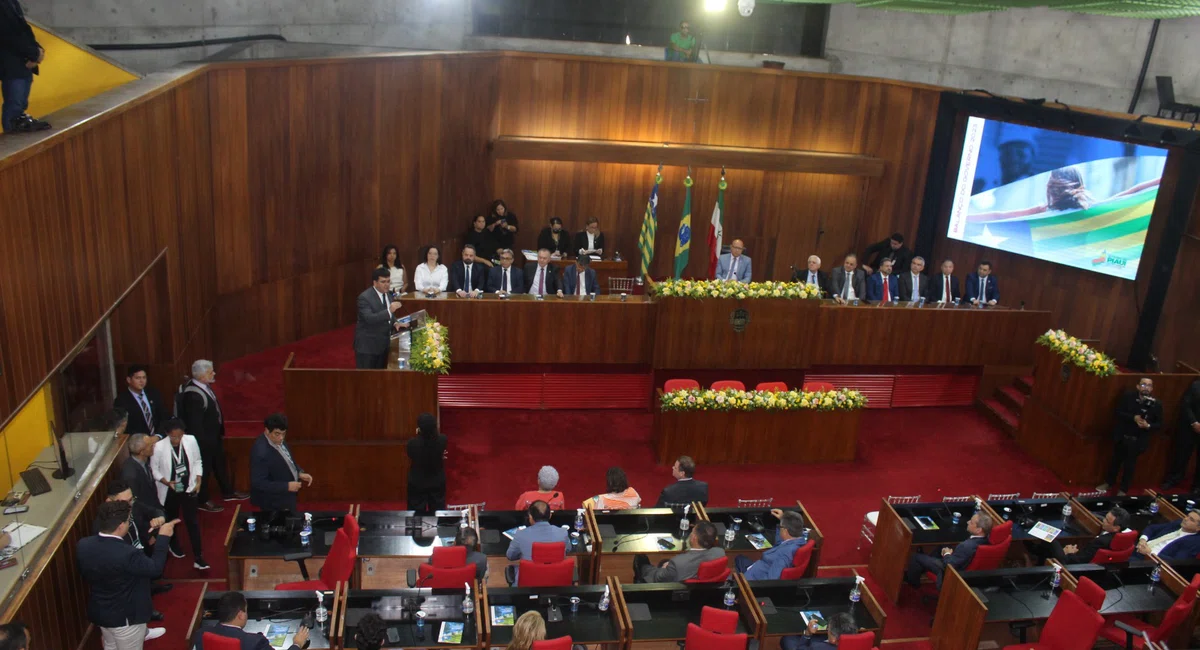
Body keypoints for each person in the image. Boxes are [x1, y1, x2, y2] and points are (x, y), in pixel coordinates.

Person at [78, 500, 177, 647]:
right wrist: (163, 538)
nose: (130, 523)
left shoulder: (83, 545)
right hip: (125, 619)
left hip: (101, 612)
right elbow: (155, 569)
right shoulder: (127, 553)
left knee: (110, 646)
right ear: (121, 526)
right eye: (128, 520)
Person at [178, 359, 247, 511]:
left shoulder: (204, 387)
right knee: (205, 470)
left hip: (213, 438)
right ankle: (202, 500)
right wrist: (203, 444)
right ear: (201, 375)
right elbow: (194, 424)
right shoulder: (193, 395)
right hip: (204, 442)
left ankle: (228, 492)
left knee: (220, 465)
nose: (214, 373)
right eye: (210, 371)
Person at [151, 418, 208, 570]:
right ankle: (173, 544)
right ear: (167, 434)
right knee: (172, 519)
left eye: (179, 436)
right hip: (170, 490)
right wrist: (166, 482)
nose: (176, 439)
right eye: (173, 436)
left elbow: (197, 461)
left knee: (193, 522)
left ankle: (198, 556)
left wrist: (199, 479)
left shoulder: (191, 440)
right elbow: (154, 469)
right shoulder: (158, 447)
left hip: (188, 487)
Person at [1099, 377, 1163, 495]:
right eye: (1143, 384)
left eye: (1149, 385)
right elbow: (1118, 412)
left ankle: (1123, 489)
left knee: (1130, 466)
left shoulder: (1157, 404)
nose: (1146, 387)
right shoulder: (1128, 397)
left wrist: (1148, 425)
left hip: (1138, 440)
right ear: (1138, 386)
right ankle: (1108, 482)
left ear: (1152, 388)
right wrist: (1133, 418)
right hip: (1123, 435)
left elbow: (1159, 424)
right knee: (1115, 461)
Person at [192, 591, 309, 650]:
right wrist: (297, 644)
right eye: (246, 611)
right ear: (241, 615)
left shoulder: (201, 634)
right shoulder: (255, 642)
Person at [903, 512, 992, 589]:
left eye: (971, 522)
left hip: (948, 572)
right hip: (960, 565)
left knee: (915, 557)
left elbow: (949, 564)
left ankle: (913, 584)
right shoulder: (986, 540)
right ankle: (923, 566)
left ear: (978, 530)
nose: (968, 522)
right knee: (942, 546)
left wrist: (947, 554)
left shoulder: (966, 546)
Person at [250, 413, 313, 518]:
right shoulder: (260, 452)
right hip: (273, 502)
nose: (281, 438)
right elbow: (259, 483)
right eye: (277, 434)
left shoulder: (277, 440)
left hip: (286, 497)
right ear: (266, 430)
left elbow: (287, 459)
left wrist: (299, 473)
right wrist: (287, 486)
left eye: (283, 434)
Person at [0, 0, 49, 133]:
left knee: (17, 105)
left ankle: (17, 122)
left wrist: (37, 49)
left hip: (18, 61)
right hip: (11, 63)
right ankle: (14, 129)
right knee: (13, 111)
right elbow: (9, 34)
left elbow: (22, 29)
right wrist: (33, 53)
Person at [1033, 507, 1130, 565]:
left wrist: (1069, 552)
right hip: (1080, 555)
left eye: (1107, 521)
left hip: (1071, 563)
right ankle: (1036, 557)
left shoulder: (1101, 541)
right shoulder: (1122, 538)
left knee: (1050, 539)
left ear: (1116, 528)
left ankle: (1031, 553)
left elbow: (1080, 560)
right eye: (1105, 517)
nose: (1103, 520)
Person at [506, 500, 570, 584]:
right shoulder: (563, 533)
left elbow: (510, 556)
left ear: (530, 517)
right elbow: (568, 550)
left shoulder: (521, 534)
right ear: (550, 515)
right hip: (556, 580)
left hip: (528, 582)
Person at [637, 521, 723, 583]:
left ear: (694, 538)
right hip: (701, 586)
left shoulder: (678, 563)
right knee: (664, 562)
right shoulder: (720, 553)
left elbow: (658, 578)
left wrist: (663, 568)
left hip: (674, 590)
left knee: (643, 564)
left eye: (692, 532)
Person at [736, 510, 810, 580]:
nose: (779, 528)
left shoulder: (784, 554)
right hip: (760, 567)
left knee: (738, 563)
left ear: (785, 531)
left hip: (754, 578)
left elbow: (771, 580)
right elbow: (779, 543)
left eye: (781, 527)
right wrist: (782, 519)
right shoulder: (798, 540)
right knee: (739, 558)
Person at [354, 268, 404, 369]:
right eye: (383, 282)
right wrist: (390, 310)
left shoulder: (388, 294)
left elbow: (390, 315)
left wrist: (395, 323)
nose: (387, 284)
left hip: (384, 345)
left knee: (380, 379)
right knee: (366, 380)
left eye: (388, 281)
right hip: (368, 347)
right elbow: (370, 318)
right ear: (375, 283)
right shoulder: (364, 298)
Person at [1161, 378, 1200, 491]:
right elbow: (1186, 405)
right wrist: (1194, 422)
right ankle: (1173, 479)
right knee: (1181, 455)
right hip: (1189, 427)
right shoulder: (1196, 385)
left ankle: (1197, 486)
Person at [407, 412, 447, 512]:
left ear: (419, 428)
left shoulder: (412, 443)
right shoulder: (443, 439)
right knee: (437, 510)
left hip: (417, 481)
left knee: (416, 511)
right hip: (437, 480)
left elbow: (411, 455)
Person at [114, 366, 165, 437]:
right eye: (138, 378)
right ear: (129, 380)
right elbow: (123, 426)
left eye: (144, 378)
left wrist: (158, 436)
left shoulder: (153, 393)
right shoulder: (121, 400)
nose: (142, 381)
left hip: (157, 439)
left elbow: (162, 416)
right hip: (137, 442)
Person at [1135, 510, 1200, 560]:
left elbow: (1176, 561)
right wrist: (1143, 539)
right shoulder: (1178, 523)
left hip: (1150, 560)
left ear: (1198, 528)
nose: (1186, 519)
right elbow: (1152, 528)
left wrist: (1150, 552)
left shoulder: (1195, 542)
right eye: (1187, 516)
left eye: (1191, 520)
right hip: (1139, 546)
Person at [784, 612, 855, 650]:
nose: (827, 630)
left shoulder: (817, 647)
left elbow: (801, 648)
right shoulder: (860, 643)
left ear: (834, 639)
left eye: (828, 629)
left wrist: (807, 633)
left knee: (787, 639)